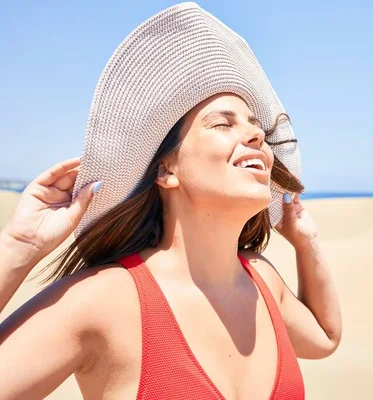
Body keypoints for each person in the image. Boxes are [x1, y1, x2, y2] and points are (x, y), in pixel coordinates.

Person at [0, 3, 341, 400]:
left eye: (255, 125)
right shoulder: (104, 300)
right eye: (223, 123)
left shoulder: (262, 280)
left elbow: (325, 338)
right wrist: (18, 248)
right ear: (166, 170)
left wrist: (307, 244)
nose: (255, 137)